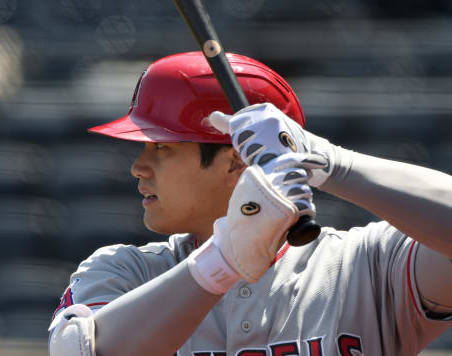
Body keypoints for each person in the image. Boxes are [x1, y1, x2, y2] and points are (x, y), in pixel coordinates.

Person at [48, 51, 452, 356]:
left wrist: (331, 162)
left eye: (162, 147)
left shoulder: (366, 264)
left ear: (236, 160)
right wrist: (222, 262)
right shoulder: (124, 270)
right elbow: (79, 350)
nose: (139, 167)